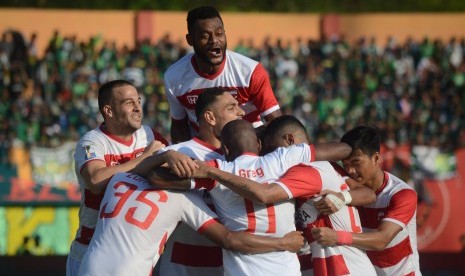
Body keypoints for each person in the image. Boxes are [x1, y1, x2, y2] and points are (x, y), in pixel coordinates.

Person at [148, 119, 353, 276]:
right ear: (258, 144)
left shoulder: (217, 170)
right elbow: (344, 149)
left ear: (225, 149)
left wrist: (167, 156)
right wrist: (299, 151)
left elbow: (157, 178)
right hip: (286, 270)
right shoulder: (283, 158)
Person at [77, 172, 304, 276]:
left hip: (87, 267)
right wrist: (283, 242)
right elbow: (229, 239)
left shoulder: (119, 179)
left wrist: (151, 156)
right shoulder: (184, 198)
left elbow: (96, 180)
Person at [66, 79, 170, 276]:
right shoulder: (91, 142)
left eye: (138, 101)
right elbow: (96, 181)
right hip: (90, 251)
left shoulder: (148, 135)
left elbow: (170, 167)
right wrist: (146, 158)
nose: (138, 108)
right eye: (129, 103)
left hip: (132, 253)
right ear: (109, 111)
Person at [311, 126, 421, 276]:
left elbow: (381, 240)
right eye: (346, 164)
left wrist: (336, 236)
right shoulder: (345, 185)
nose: (350, 171)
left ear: (376, 158)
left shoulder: (401, 194)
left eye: (356, 162)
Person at [164, 6, 281, 143]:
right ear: (190, 40)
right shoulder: (174, 77)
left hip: (248, 145)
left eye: (219, 34)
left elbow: (276, 122)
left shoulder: (250, 71)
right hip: (203, 151)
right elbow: (179, 126)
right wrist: (187, 158)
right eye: (205, 36)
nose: (214, 40)